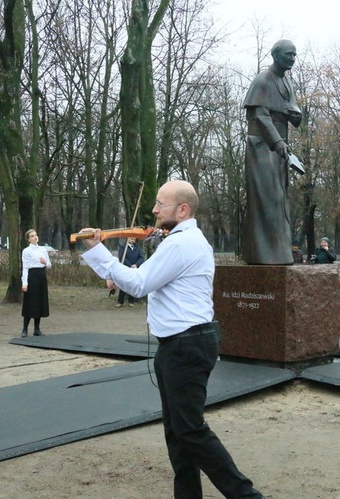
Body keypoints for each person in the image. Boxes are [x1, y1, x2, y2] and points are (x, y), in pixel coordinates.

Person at [78, 180, 264, 499]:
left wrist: (99, 251)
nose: (153, 210)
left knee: (190, 431)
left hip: (186, 345)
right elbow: (145, 279)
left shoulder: (181, 244)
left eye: (160, 204)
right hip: (177, 346)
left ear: (182, 209)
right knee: (177, 435)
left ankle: (247, 496)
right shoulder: (178, 241)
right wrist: (109, 267)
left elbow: (138, 284)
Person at [242, 39, 302, 265]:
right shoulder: (262, 80)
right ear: (275, 55)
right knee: (268, 199)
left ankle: (279, 254)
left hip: (279, 147)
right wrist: (277, 143)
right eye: (288, 54)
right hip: (262, 146)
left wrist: (295, 115)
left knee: (280, 201)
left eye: (295, 55)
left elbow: (291, 108)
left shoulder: (287, 82)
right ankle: (264, 256)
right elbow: (260, 116)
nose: (292, 59)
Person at [21, 229, 50, 337]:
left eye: (36, 235)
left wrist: (45, 262)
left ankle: (37, 329)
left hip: (41, 275)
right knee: (30, 303)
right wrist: (24, 283)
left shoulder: (43, 250)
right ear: (28, 239)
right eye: (32, 236)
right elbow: (25, 267)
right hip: (32, 276)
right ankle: (25, 329)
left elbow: (49, 264)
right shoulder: (26, 251)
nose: (35, 237)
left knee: (40, 302)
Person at [116, 237, 145, 307]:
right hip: (125, 268)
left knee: (132, 283)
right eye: (131, 239)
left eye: (134, 239)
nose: (133, 240)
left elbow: (141, 257)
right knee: (123, 284)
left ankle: (131, 301)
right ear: (128, 238)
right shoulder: (123, 247)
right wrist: (130, 265)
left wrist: (136, 264)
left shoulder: (137, 247)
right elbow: (122, 257)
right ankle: (120, 301)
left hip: (134, 268)